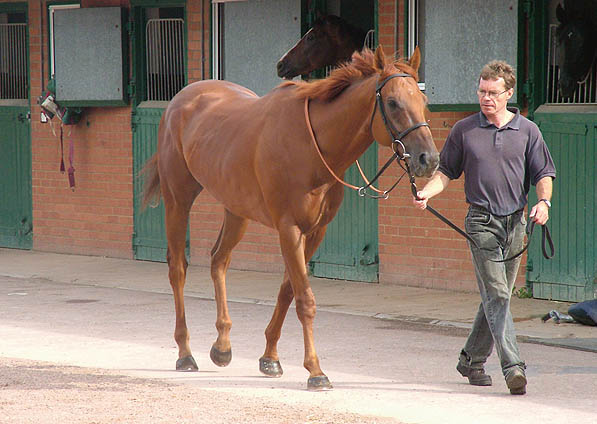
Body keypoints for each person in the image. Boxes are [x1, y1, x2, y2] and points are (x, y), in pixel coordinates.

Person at [413, 60, 556, 395]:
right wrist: (426, 194)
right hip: (480, 223)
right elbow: (445, 172)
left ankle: (471, 360)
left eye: (493, 92)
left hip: (516, 223)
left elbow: (543, 174)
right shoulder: (464, 130)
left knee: (496, 299)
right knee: (498, 294)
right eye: (481, 91)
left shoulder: (528, 131)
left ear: (508, 94)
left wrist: (544, 203)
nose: (486, 97)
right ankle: (513, 368)